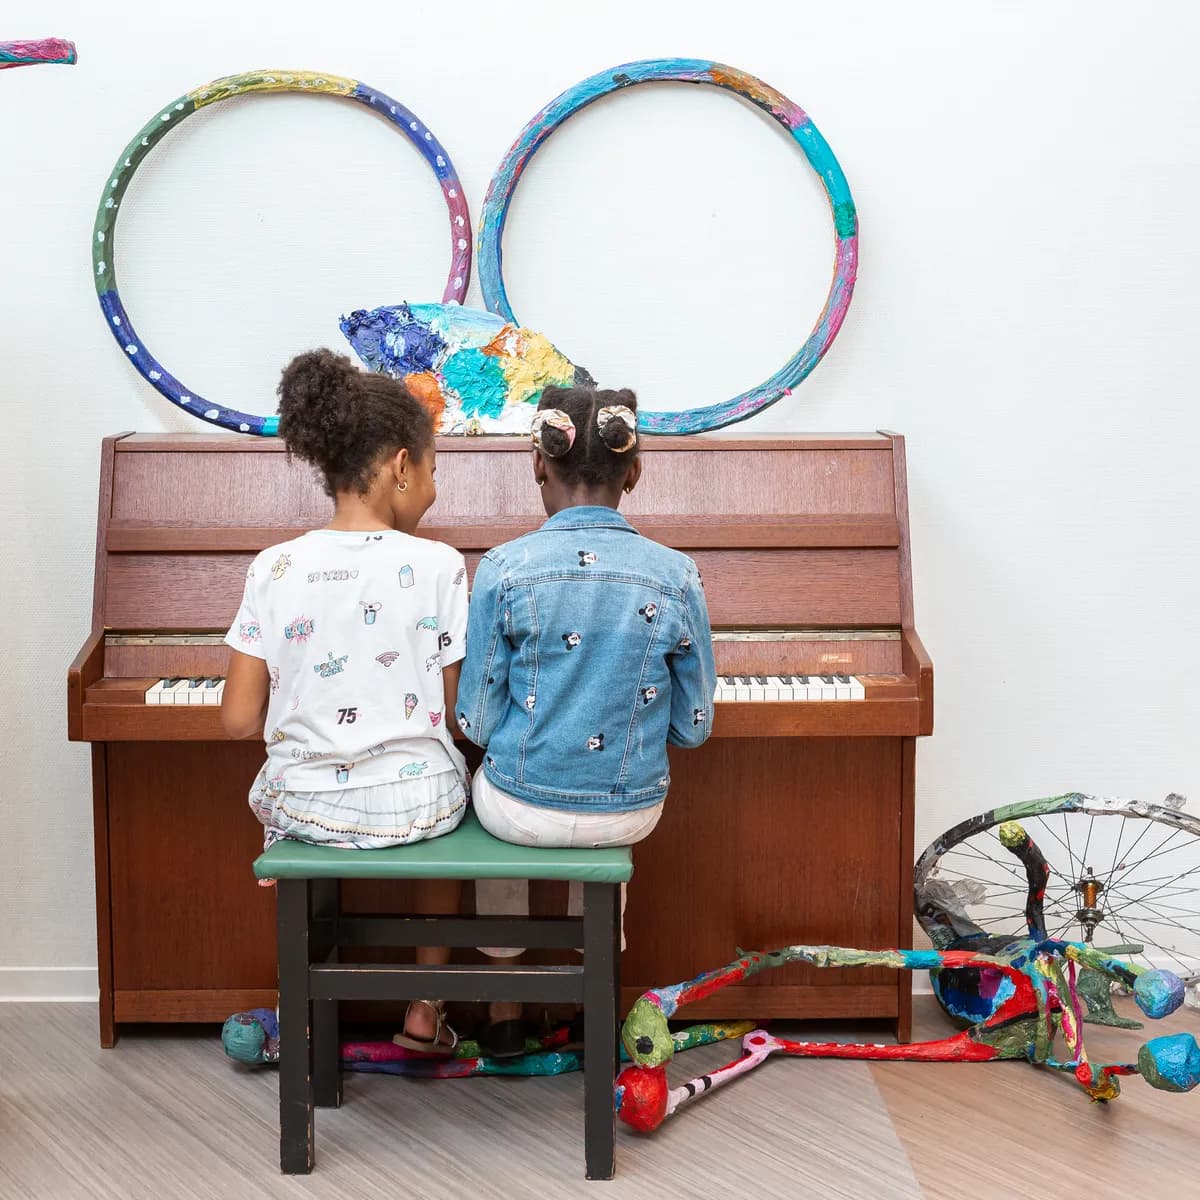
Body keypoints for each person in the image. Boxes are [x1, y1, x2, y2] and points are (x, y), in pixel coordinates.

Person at [455, 385, 717, 1057]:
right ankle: (590, 1002)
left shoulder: (504, 568)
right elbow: (693, 727)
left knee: (498, 788)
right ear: (636, 471)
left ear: (538, 464)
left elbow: (477, 723)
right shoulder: (677, 573)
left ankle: (506, 1009)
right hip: (626, 809)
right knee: (599, 820)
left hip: (520, 807)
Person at [221, 348, 467, 1054]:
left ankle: (294, 1006)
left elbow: (239, 719)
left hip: (307, 805)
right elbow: (454, 716)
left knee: (284, 794)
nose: (433, 490)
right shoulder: (441, 565)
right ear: (399, 466)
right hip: (422, 807)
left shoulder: (275, 566)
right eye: (432, 471)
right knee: (441, 783)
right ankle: (426, 1005)